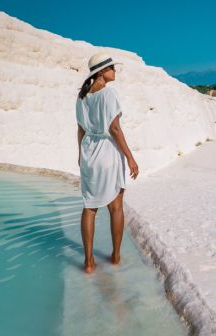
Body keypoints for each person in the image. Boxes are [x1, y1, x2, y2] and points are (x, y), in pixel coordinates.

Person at [76, 52, 139, 273]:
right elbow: (114, 128)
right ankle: (115, 257)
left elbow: (81, 129)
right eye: (112, 67)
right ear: (102, 72)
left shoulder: (82, 97)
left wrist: (80, 155)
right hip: (107, 152)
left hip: (89, 152)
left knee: (89, 206)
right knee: (116, 206)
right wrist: (131, 158)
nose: (115, 70)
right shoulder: (109, 93)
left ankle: (89, 262)